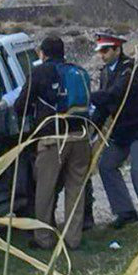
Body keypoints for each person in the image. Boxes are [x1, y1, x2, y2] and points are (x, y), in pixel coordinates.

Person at [12, 36, 91, 250]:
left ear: (42, 53)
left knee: (45, 191)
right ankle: (73, 239)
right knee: (75, 189)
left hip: (53, 139)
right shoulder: (77, 71)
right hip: (81, 136)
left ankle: (44, 238)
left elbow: (21, 106)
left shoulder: (40, 72)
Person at [90, 33, 138, 228]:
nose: (102, 55)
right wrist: (92, 130)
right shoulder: (105, 73)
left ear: (117, 50)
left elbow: (114, 94)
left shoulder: (131, 70)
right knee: (106, 165)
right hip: (121, 131)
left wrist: (87, 96)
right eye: (100, 51)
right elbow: (105, 106)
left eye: (106, 50)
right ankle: (125, 211)